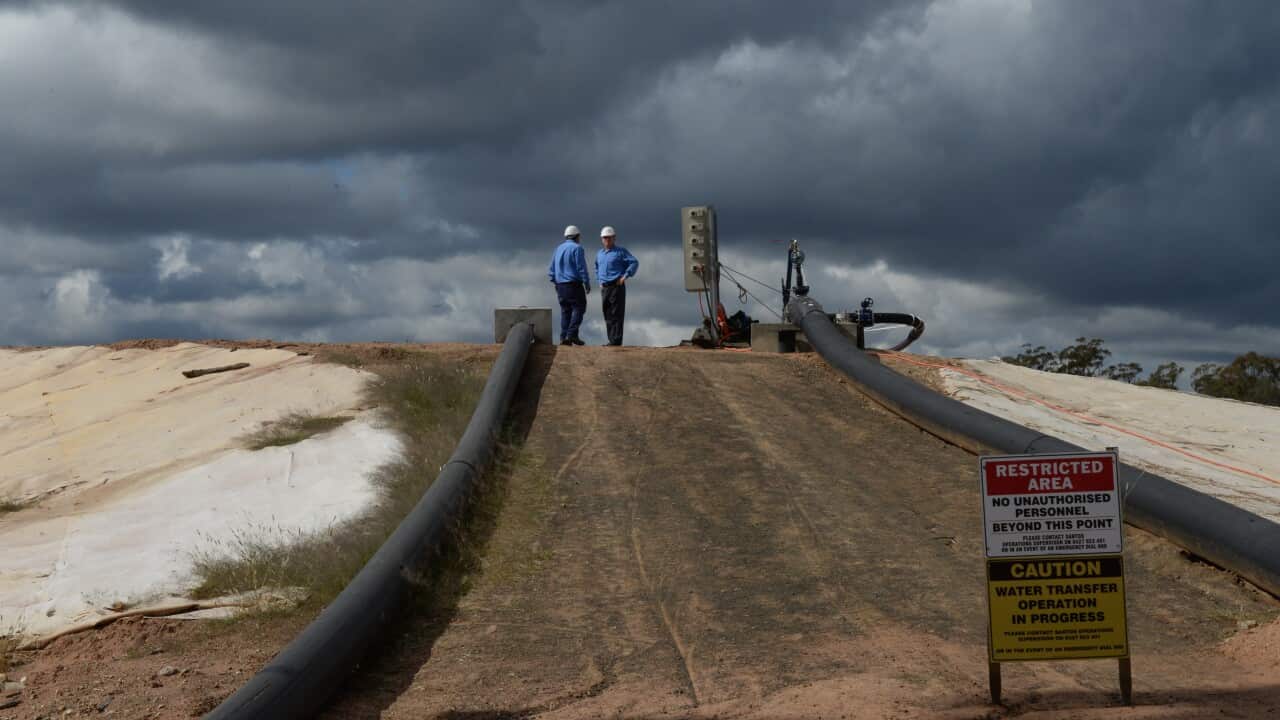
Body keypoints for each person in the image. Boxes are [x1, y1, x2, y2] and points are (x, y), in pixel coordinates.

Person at [595, 226, 639, 346]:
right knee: (607, 313)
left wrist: (625, 276)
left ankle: (616, 341)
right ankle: (611, 340)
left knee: (616, 313)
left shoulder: (621, 252)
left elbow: (634, 262)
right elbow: (596, 267)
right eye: (605, 238)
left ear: (614, 238)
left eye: (609, 238)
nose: (607, 240)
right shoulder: (599, 254)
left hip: (616, 286)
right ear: (602, 239)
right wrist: (599, 280)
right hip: (605, 287)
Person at [548, 225, 590, 345]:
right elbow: (581, 267)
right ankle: (571, 334)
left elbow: (551, 270)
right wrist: (586, 282)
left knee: (566, 311)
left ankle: (564, 337)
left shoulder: (558, 248)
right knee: (579, 307)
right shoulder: (577, 248)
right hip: (573, 284)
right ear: (577, 236)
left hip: (560, 285)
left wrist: (555, 283)